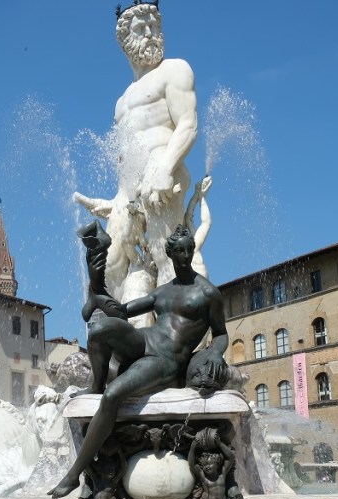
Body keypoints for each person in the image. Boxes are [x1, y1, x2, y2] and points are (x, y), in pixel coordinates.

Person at [47, 224, 228, 499]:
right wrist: (96, 286)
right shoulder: (162, 292)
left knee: (114, 394)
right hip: (144, 340)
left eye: (189, 250)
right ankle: (95, 385)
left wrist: (214, 352)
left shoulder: (207, 293)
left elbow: (221, 335)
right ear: (170, 253)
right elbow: (122, 312)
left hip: (165, 359)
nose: (185, 255)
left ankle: (74, 474)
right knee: (99, 330)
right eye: (179, 250)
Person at [73, 2, 198, 314]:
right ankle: (119, 342)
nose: (151, 34)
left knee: (164, 254)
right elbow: (124, 160)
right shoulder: (121, 102)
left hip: (163, 170)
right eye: (142, 29)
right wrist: (115, 201)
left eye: (155, 27)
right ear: (125, 39)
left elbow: (188, 124)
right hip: (128, 191)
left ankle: (176, 337)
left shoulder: (175, 70)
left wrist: (167, 168)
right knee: (112, 263)